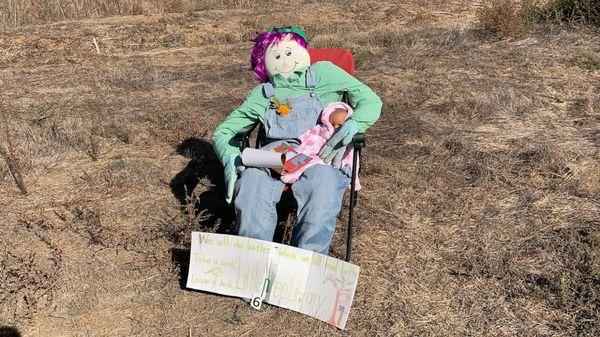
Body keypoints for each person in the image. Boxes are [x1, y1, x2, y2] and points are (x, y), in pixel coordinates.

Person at [211, 25, 382, 254]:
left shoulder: (325, 73)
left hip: (322, 151)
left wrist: (354, 124)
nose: (284, 61)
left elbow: (370, 101)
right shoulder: (263, 93)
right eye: (276, 56)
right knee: (252, 181)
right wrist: (230, 160)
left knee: (323, 184)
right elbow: (224, 132)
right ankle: (253, 260)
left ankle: (306, 261)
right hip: (277, 155)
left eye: (289, 53)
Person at [280, 101, 361, 191]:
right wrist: (303, 140)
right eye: (332, 123)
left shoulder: (346, 136)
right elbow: (311, 133)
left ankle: (293, 176)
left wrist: (350, 169)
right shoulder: (322, 128)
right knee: (299, 156)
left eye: (339, 125)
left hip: (327, 157)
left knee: (310, 162)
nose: (334, 127)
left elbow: (350, 154)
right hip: (314, 149)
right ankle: (288, 176)